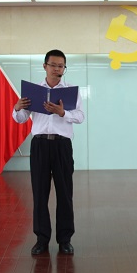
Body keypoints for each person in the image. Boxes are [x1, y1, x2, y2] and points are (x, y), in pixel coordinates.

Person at [13, 50, 85, 256]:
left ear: (64, 68)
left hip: (62, 146)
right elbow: (20, 119)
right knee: (40, 193)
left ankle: (65, 240)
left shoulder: (71, 91)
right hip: (40, 146)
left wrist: (62, 113)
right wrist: (17, 108)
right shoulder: (34, 91)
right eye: (53, 65)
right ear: (45, 66)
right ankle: (41, 239)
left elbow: (80, 117)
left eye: (61, 66)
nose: (57, 69)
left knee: (65, 194)